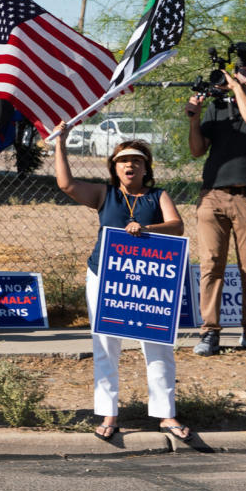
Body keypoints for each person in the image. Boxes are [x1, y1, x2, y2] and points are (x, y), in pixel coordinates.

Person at [54, 124, 192, 443]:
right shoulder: (106, 194)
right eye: (122, 161)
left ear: (146, 168)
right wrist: (60, 142)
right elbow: (67, 184)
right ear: (114, 168)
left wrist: (146, 227)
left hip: (148, 280)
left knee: (157, 345)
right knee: (105, 345)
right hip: (104, 275)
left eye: (136, 161)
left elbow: (177, 225)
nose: (129, 165)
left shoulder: (158, 196)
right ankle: (108, 413)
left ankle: (165, 414)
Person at [185, 51, 246, 356]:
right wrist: (195, 117)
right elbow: (197, 150)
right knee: (212, 265)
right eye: (242, 66)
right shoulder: (216, 108)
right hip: (213, 195)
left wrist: (236, 87)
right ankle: (210, 333)